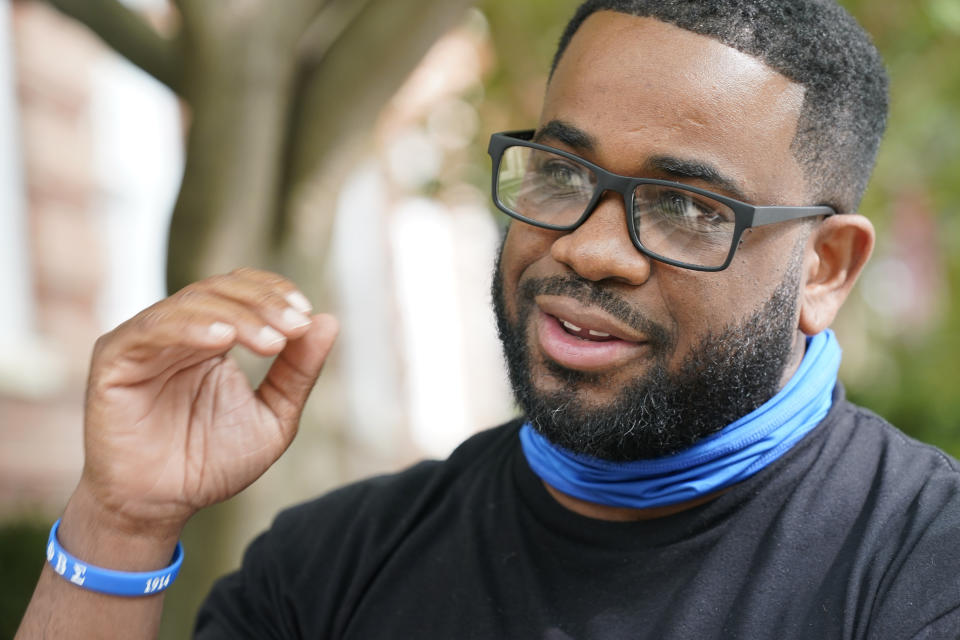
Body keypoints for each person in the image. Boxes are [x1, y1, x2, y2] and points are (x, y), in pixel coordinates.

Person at [17, 0, 960, 638]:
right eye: (561, 172)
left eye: (686, 207)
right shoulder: (332, 570)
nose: (590, 249)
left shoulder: (922, 571)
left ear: (824, 269)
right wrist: (121, 521)